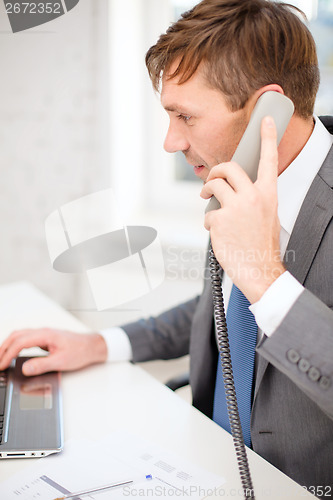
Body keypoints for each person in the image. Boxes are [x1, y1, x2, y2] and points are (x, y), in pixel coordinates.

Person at [1, 0, 333, 494]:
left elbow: (260, 293)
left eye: (185, 117)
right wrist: (104, 343)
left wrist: (265, 277)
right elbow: (221, 307)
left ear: (270, 112)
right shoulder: (234, 179)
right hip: (204, 463)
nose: (171, 142)